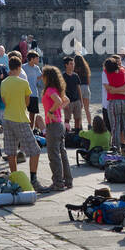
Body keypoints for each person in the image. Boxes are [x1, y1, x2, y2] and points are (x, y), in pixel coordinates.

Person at [0, 54, 43, 189]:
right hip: (20, 118)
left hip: (7, 118)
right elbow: (27, 102)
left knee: (11, 152)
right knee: (35, 150)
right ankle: (33, 179)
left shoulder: (4, 82)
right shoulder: (24, 83)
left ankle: (15, 180)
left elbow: (5, 101)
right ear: (19, 68)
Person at [41, 65, 73, 193]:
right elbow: (66, 100)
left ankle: (58, 182)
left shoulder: (49, 90)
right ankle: (68, 180)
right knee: (62, 154)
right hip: (59, 124)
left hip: (53, 125)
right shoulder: (57, 89)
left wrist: (51, 111)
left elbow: (59, 101)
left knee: (54, 155)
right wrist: (57, 109)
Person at [104, 56, 125, 154]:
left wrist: (115, 91)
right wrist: (122, 92)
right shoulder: (122, 71)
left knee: (115, 126)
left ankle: (116, 148)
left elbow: (109, 89)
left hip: (113, 101)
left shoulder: (105, 72)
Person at [23, 49, 45, 134]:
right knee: (23, 114)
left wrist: (42, 76)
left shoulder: (36, 68)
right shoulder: (23, 67)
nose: (38, 60)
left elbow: (39, 77)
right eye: (37, 58)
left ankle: (30, 131)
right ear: (32, 59)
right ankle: (24, 131)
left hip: (34, 94)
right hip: (24, 94)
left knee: (32, 115)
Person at [61, 57, 84, 131]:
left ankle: (76, 134)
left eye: (73, 64)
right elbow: (62, 90)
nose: (73, 65)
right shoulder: (63, 76)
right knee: (67, 119)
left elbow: (78, 89)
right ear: (66, 65)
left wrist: (81, 101)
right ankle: (66, 133)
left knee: (77, 118)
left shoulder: (75, 75)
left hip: (77, 101)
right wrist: (65, 102)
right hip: (68, 102)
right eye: (71, 64)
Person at [74, 50, 92, 125]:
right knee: (87, 109)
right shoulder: (85, 69)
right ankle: (89, 124)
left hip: (79, 89)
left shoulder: (75, 69)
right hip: (86, 87)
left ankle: (80, 125)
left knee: (79, 110)